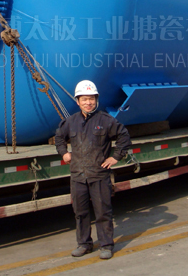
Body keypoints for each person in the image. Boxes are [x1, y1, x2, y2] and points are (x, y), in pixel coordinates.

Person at [55, 80, 131, 260]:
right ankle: (84, 244)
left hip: (98, 175)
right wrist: (64, 153)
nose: (88, 102)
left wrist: (116, 157)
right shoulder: (71, 122)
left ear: (96, 100)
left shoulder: (106, 120)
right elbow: (59, 137)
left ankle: (106, 245)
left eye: (91, 99)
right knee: (80, 213)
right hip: (78, 175)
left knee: (103, 212)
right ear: (77, 101)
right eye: (84, 99)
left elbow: (124, 136)